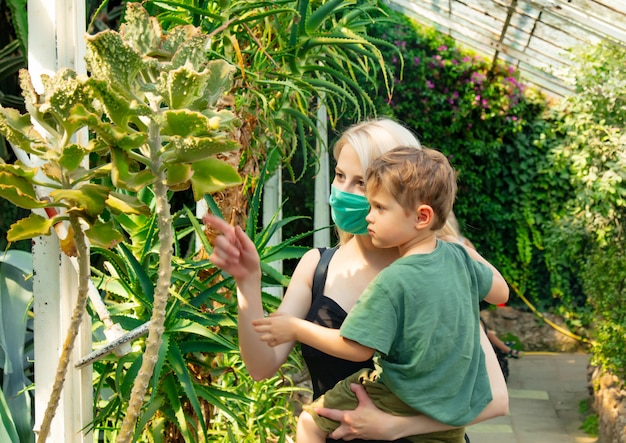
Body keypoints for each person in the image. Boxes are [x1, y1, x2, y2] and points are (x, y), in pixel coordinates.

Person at [203, 118, 508, 442]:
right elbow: (261, 367)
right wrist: (248, 284)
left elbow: (495, 400)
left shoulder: (438, 272)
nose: (342, 193)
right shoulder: (317, 266)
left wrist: (395, 427)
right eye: (339, 175)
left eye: (361, 183)